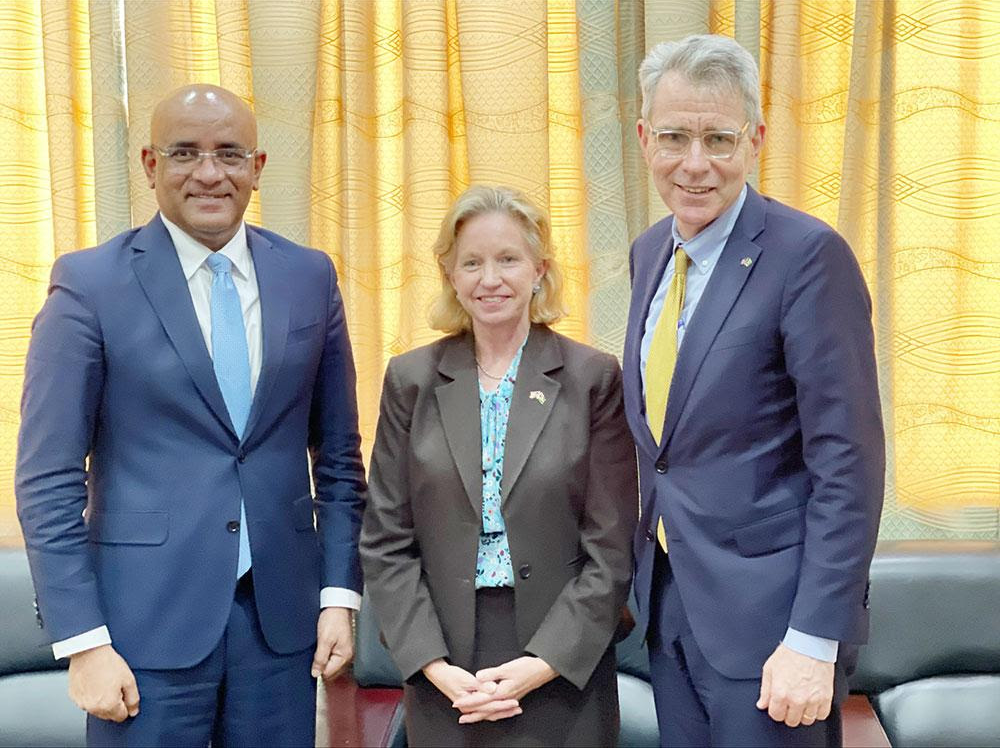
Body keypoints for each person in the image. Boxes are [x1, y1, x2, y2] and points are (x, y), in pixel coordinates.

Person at [15, 84, 367, 747]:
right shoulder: (90, 285)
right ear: (150, 165)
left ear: (258, 167)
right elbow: (48, 479)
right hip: (140, 629)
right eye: (186, 152)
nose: (210, 173)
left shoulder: (310, 278)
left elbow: (341, 459)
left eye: (229, 153)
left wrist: (338, 596)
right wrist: (84, 642)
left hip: (282, 627)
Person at [624, 35, 885, 747]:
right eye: (675, 137)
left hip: (774, 630)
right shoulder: (650, 253)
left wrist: (814, 639)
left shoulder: (807, 257)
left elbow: (848, 467)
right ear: (645, 137)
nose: (695, 163)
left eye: (718, 137)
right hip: (672, 606)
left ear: (756, 138)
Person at [360, 185, 638, 747]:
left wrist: (541, 665)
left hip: (562, 663)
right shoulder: (410, 380)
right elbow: (386, 540)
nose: (491, 279)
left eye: (508, 259)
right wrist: (435, 668)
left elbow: (611, 550)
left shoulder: (592, 379)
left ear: (539, 269)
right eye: (473, 263)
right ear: (450, 274)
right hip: (446, 668)